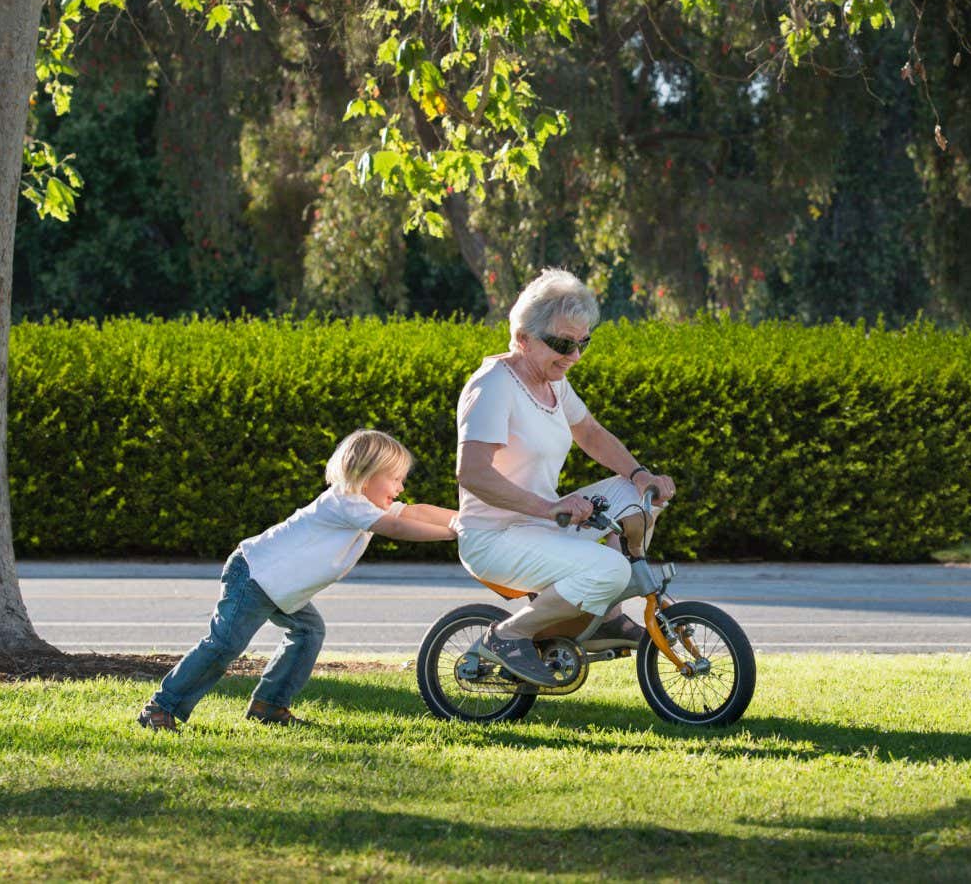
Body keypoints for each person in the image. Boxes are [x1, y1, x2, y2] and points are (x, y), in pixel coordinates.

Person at [137, 430, 457, 731]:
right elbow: (399, 528)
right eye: (396, 479)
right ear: (366, 473)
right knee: (225, 645)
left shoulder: (364, 505)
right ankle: (161, 707)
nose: (400, 488)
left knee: (308, 632)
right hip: (254, 575)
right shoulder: (346, 501)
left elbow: (415, 513)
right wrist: (453, 533)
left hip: (279, 587)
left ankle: (269, 706)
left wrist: (464, 519)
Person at [454, 268, 676, 686]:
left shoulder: (554, 383)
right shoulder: (493, 387)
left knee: (637, 496)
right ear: (522, 338)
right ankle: (509, 635)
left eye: (582, 343)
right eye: (562, 344)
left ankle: (607, 616)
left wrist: (640, 472)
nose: (574, 356)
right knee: (610, 570)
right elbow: (473, 474)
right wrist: (551, 507)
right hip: (494, 536)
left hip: (541, 524)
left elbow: (589, 432)